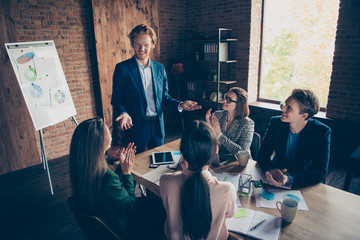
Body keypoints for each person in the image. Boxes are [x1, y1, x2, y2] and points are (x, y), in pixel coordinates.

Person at [69, 117, 165, 240]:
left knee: (157, 202)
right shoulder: (106, 177)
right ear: (100, 143)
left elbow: (113, 192)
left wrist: (120, 165)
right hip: (123, 227)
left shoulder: (82, 170)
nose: (110, 131)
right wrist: (127, 172)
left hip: (107, 219)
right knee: (164, 206)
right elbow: (129, 204)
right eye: (107, 131)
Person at [111, 24, 201, 154]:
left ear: (153, 44)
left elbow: (164, 98)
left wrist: (180, 104)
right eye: (138, 45)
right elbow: (117, 101)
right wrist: (124, 113)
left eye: (146, 45)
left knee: (158, 166)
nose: (142, 49)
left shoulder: (160, 68)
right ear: (132, 44)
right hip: (135, 127)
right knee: (134, 165)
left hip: (157, 127)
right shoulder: (122, 69)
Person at [160, 120, 238, 240]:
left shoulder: (166, 181)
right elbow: (231, 214)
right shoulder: (227, 190)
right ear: (216, 150)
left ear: (182, 151)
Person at [257, 88, 331, 189]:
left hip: (302, 181)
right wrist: (270, 169)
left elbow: (320, 171)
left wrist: (289, 178)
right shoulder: (276, 123)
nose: (282, 109)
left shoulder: (321, 132)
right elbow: (262, 155)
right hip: (274, 178)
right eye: (284, 104)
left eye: (289, 108)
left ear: (304, 115)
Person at [205, 87, 254, 165]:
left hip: (236, 162)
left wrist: (219, 135)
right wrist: (208, 126)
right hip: (217, 159)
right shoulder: (218, 114)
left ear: (239, 104)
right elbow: (209, 142)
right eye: (225, 98)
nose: (224, 101)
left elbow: (243, 152)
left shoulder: (247, 123)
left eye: (229, 100)